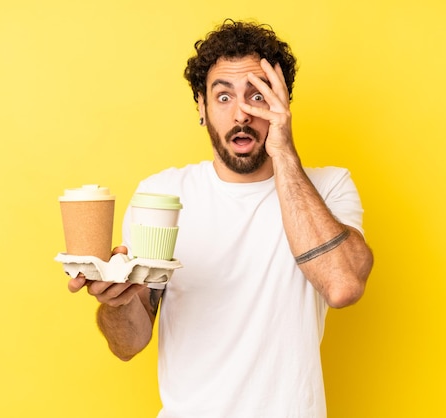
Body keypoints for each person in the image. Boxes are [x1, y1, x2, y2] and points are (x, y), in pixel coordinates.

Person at [68, 19, 373, 418]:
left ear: (281, 103)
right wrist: (117, 303)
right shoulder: (163, 196)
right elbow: (128, 345)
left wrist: (283, 151)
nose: (241, 115)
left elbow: (343, 285)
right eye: (224, 97)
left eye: (258, 97)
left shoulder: (330, 188)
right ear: (202, 106)